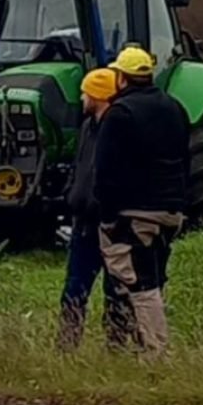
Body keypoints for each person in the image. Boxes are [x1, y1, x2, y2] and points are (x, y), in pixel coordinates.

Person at [94, 45, 191, 354]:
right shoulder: (175, 107)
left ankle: (155, 354)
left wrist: (107, 217)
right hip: (171, 211)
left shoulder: (119, 115)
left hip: (134, 213)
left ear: (121, 78)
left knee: (140, 284)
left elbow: (106, 171)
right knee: (153, 280)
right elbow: (185, 159)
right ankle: (137, 347)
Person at [58, 68, 135, 351]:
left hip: (110, 222)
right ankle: (67, 346)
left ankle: (116, 346)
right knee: (74, 289)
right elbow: (80, 167)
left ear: (98, 95)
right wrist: (71, 193)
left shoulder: (117, 128)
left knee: (116, 290)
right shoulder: (87, 127)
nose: (81, 97)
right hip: (84, 223)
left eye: (85, 91)